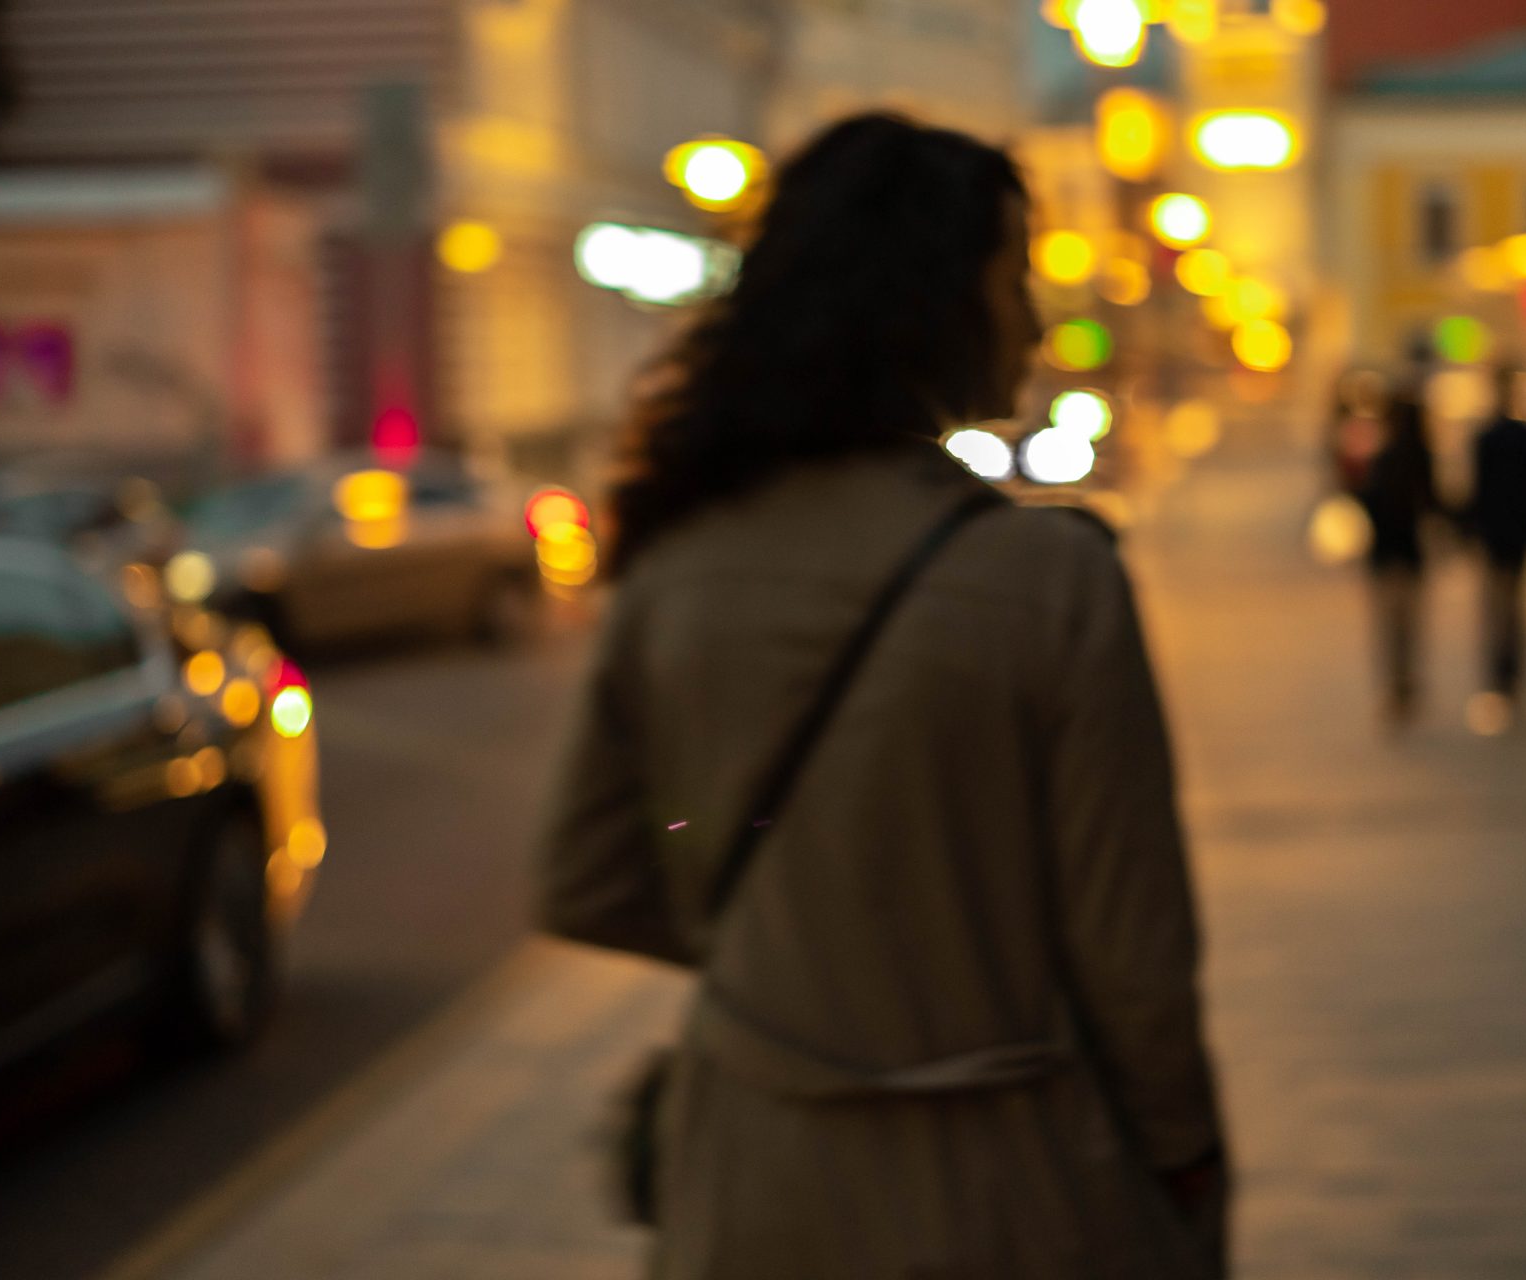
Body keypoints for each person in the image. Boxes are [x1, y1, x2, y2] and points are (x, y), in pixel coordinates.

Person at [537, 114, 1227, 1280]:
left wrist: (787, 952)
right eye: (1016, 278)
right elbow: (1135, 957)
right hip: (1002, 1179)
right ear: (937, 301)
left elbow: (591, 878)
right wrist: (1188, 1166)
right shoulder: (1050, 582)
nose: (1040, 318)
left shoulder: (676, 562)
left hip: (748, 1179)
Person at [1466, 366, 1526, 719]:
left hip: (1498, 534)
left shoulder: (1488, 437)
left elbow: (1477, 494)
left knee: (1499, 606)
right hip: (1518, 532)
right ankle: (1510, 673)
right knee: (1514, 606)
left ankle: (1501, 675)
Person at [1352, 380, 1443, 726]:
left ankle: (1397, 687)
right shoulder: (1421, 458)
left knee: (1391, 628)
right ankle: (1406, 685)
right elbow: (1434, 505)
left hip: (1386, 556)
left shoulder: (1384, 459)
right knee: (1410, 626)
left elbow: (1370, 503)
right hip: (1410, 555)